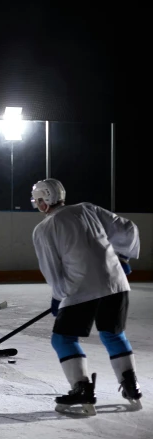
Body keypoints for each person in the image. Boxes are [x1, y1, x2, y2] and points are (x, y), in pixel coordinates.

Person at [31, 178, 142, 415]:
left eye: (39, 200)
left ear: (45, 200)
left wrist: (59, 296)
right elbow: (127, 228)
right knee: (113, 334)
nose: (37, 204)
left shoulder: (44, 229)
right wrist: (122, 259)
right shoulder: (87, 209)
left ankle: (81, 388)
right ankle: (131, 385)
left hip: (82, 289)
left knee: (63, 339)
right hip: (116, 284)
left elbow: (52, 270)